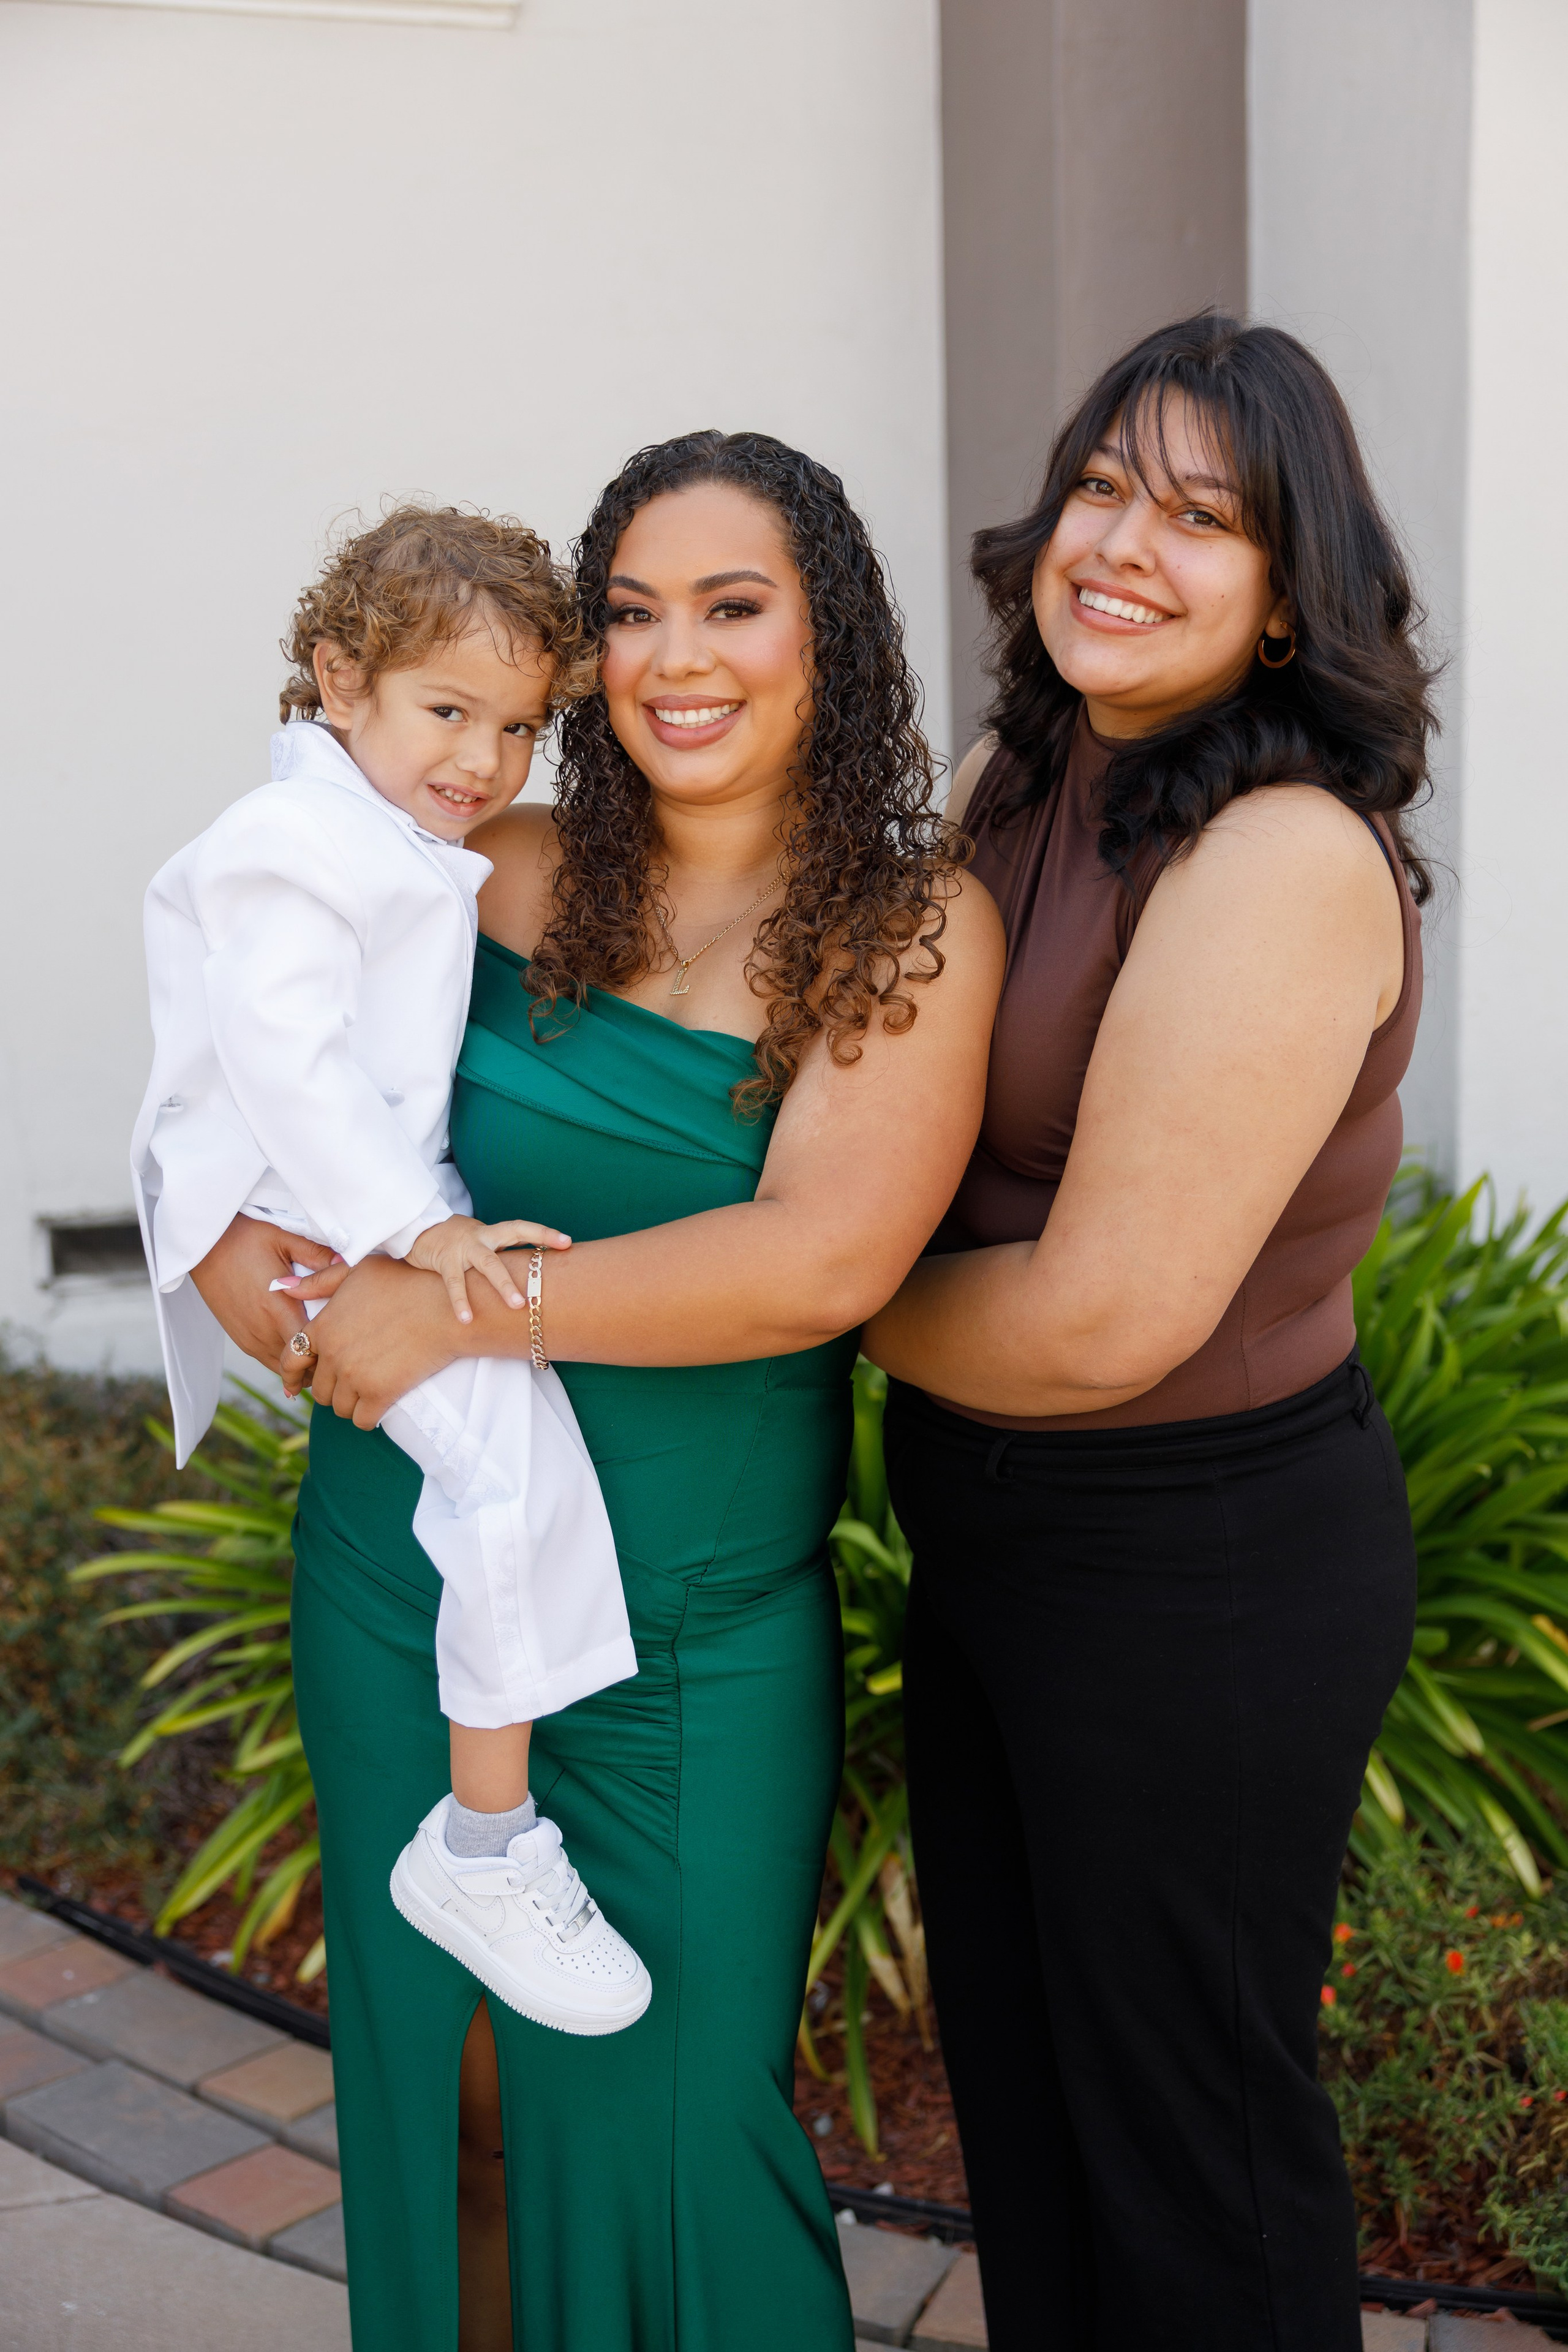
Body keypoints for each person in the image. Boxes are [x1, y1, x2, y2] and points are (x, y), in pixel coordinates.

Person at [188, 430, 1004, 2351]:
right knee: (454, 2105)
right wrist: (281, 1303)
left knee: (676, 2130)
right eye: (633, 612)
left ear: (827, 638)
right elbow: (235, 1093)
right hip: (404, 1586)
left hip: (690, 1640)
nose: (675, 657)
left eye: (733, 605)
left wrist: (458, 1317)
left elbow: (820, 1262)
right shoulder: (485, 869)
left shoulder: (903, 928)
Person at [863, 312, 1432, 2352]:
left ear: (1287, 597)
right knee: (1034, 2113)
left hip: (1200, 1570)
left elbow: (1109, 1316)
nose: (1122, 543)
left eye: (1201, 516)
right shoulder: (1020, 780)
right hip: (1003, 1545)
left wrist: (803, 1296)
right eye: (1104, 486)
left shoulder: (1279, 855)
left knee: (1195, 2155)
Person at [131, 506, 650, 2037]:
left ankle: (491, 1829)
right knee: (503, 1475)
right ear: (340, 678)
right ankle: (483, 1845)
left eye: (520, 728)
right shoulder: (291, 843)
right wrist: (417, 1232)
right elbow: (284, 1064)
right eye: (448, 711)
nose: (486, 760)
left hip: (364, 1204)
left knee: (517, 1473)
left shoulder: (384, 835)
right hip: (318, 1216)